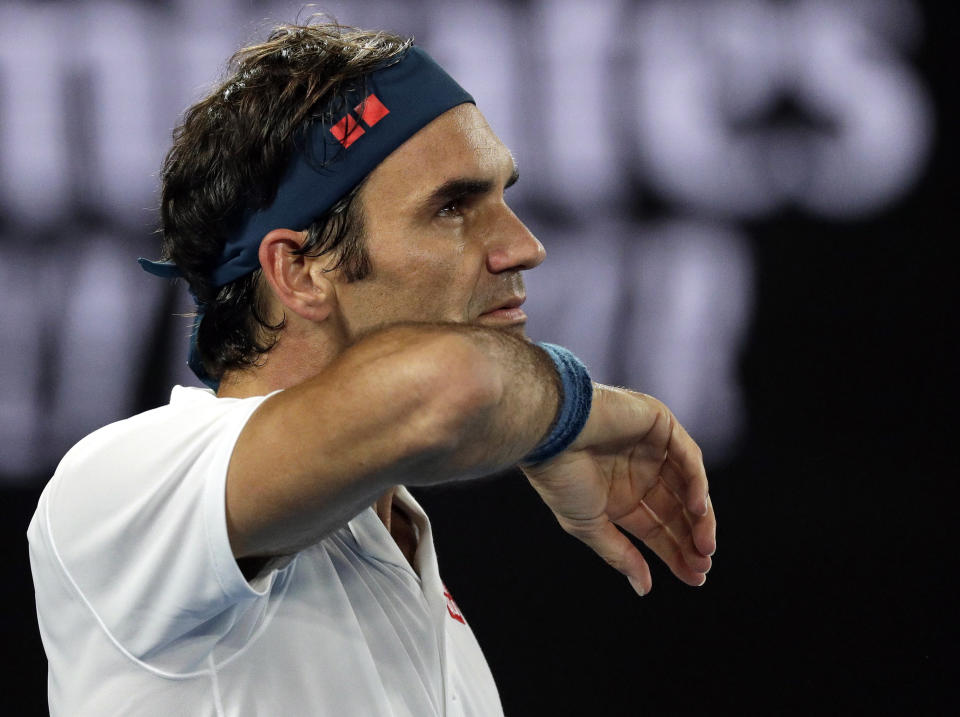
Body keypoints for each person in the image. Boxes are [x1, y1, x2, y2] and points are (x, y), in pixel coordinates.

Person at [28, 21, 716, 716]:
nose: (524, 245)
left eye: (504, 197)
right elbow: (459, 384)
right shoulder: (125, 487)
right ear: (299, 272)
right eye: (452, 207)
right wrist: (567, 413)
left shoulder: (409, 560)